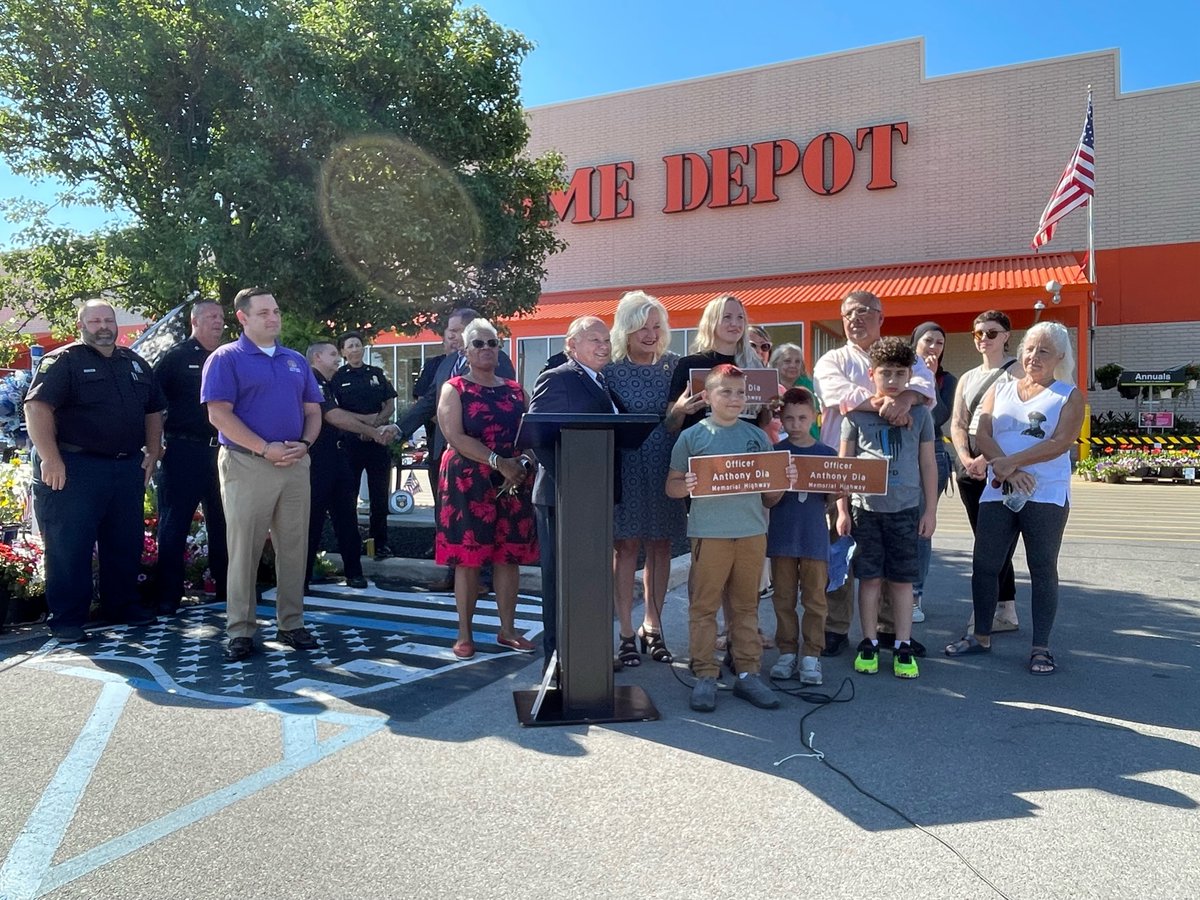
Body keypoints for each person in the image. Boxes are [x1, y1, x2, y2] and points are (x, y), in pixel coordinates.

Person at [946, 321, 1084, 675]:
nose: (1033, 356)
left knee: (1041, 568)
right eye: (1029, 348)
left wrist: (1013, 463)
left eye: (1043, 351)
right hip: (999, 490)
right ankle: (980, 636)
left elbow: (1060, 442)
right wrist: (1006, 469)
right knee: (986, 564)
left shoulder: (1067, 395)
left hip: (1045, 494)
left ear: (1060, 358)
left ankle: (1041, 647)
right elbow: (983, 431)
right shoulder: (1002, 389)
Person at [25, 300, 166, 643]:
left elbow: (153, 410)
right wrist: (50, 458)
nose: (103, 326)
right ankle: (68, 618)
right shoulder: (63, 361)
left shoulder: (134, 362)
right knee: (69, 545)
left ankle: (121, 606)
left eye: (108, 320)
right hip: (75, 467)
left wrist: (153, 450)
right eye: (95, 321)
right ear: (82, 326)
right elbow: (37, 407)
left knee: (125, 542)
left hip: (124, 466)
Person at [201, 287, 323, 662]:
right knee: (244, 549)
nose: (273, 318)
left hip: (294, 461)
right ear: (243, 318)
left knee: (294, 546)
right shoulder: (226, 358)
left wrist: (304, 443)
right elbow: (218, 414)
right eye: (264, 312)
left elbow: (313, 410)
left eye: (276, 310)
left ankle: (292, 623)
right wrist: (264, 447)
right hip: (247, 463)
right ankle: (240, 629)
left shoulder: (295, 361)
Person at [813, 290, 936, 657]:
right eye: (849, 312)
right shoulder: (831, 359)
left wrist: (909, 397)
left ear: (882, 316)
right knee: (842, 555)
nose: (856, 318)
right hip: (844, 473)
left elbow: (926, 383)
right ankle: (836, 627)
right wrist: (890, 402)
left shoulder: (900, 354)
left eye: (865, 312)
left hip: (900, 481)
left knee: (891, 565)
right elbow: (841, 394)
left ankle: (889, 630)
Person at [666, 364, 795, 712]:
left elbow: (771, 497)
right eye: (726, 392)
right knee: (704, 606)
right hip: (709, 534)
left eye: (740, 393)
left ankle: (749, 673)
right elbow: (672, 486)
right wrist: (687, 486)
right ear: (707, 396)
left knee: (746, 607)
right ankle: (705, 674)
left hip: (752, 533)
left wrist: (781, 481)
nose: (735, 399)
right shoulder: (692, 437)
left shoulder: (757, 436)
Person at [435, 318, 539, 659]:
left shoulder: (515, 389)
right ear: (466, 351)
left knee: (508, 556)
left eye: (492, 343)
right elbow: (456, 436)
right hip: (469, 479)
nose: (486, 350)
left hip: (513, 481)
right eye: (478, 344)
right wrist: (498, 461)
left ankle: (507, 630)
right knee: (469, 559)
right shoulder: (455, 388)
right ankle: (465, 635)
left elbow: (532, 434)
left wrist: (522, 463)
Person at [835, 337, 937, 680]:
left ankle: (903, 644)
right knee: (869, 578)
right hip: (866, 510)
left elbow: (928, 464)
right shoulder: (855, 417)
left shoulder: (920, 414)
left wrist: (930, 510)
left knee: (902, 580)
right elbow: (843, 466)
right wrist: (842, 509)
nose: (892, 381)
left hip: (906, 509)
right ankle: (868, 640)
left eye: (899, 373)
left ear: (910, 375)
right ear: (871, 374)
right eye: (885, 373)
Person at [528, 315, 622, 668]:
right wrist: (570, 480)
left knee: (591, 578)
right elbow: (537, 435)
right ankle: (560, 658)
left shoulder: (601, 382)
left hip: (594, 495)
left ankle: (590, 653)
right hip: (563, 496)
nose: (603, 345)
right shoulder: (560, 378)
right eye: (594, 339)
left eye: (606, 340)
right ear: (572, 346)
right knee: (561, 581)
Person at [605, 291, 687, 667]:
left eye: (656, 326)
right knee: (625, 549)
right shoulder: (610, 369)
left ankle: (652, 627)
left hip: (666, 468)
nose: (651, 333)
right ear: (626, 328)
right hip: (626, 468)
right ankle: (624, 631)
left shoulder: (676, 368)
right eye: (642, 326)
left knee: (661, 547)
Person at [153, 300, 229, 616]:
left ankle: (227, 590)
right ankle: (168, 597)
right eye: (212, 316)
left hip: (223, 450)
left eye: (222, 317)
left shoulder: (229, 358)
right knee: (175, 524)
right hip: (183, 450)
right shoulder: (175, 358)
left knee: (225, 524)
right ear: (194, 320)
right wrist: (154, 443)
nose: (218, 321)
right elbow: (151, 402)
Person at [950, 310, 1022, 634]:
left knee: (998, 542)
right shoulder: (967, 378)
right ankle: (1005, 608)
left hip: (1003, 463)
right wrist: (966, 457)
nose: (983, 339)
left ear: (1007, 336)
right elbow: (958, 422)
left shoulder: (1020, 373)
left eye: (991, 333)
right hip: (971, 467)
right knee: (984, 538)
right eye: (978, 334)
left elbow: (1023, 424)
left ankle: (992, 607)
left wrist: (994, 460)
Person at [306, 341, 391, 591]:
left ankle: (354, 572)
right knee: (312, 520)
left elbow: (340, 413)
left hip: (339, 457)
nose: (337, 358)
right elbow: (333, 416)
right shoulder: (313, 381)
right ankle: (302, 579)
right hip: (318, 460)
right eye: (333, 354)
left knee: (347, 518)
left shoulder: (331, 383)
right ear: (317, 357)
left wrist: (369, 422)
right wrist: (372, 431)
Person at [767, 388, 836, 686]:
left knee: (815, 599)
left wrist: (838, 495)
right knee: (782, 598)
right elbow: (767, 500)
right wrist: (782, 482)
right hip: (782, 537)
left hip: (814, 537)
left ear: (814, 417)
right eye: (790, 418)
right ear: (781, 419)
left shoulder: (828, 454)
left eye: (802, 418)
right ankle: (786, 651)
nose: (796, 424)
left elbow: (831, 500)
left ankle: (811, 654)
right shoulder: (775, 453)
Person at [908, 321, 958, 623]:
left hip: (932, 454)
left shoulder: (946, 380)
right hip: (899, 454)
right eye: (928, 340)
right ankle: (892, 593)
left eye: (940, 343)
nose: (934, 348)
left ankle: (915, 595)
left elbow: (937, 415)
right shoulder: (901, 373)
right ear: (915, 342)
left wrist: (927, 381)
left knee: (921, 527)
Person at [333, 331, 397, 560]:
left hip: (378, 441)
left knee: (379, 497)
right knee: (347, 496)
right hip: (351, 442)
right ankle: (351, 542)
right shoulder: (338, 377)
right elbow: (335, 411)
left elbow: (389, 404)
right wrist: (363, 425)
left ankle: (381, 543)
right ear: (343, 352)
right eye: (349, 346)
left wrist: (377, 424)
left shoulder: (376, 374)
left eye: (358, 345)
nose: (354, 349)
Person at [411, 320, 454, 590]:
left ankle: (474, 573)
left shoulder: (488, 360)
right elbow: (423, 401)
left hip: (475, 451)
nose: (455, 339)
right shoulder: (435, 365)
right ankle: (444, 554)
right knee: (442, 506)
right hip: (439, 445)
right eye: (451, 334)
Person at [770, 342, 820, 440]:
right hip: (774, 443)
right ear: (776, 364)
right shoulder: (768, 385)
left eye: (797, 362)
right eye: (787, 361)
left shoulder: (811, 387)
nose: (793, 365)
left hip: (807, 441)